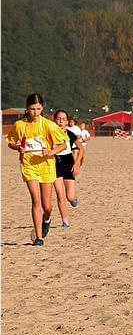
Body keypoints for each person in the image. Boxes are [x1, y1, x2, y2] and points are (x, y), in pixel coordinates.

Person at [7, 93, 67, 246]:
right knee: (36, 200)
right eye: (32, 109)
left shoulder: (48, 125)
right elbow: (11, 142)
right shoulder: (20, 125)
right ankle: (39, 237)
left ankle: (47, 218)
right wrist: (18, 147)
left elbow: (64, 144)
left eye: (38, 109)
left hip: (46, 166)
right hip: (29, 165)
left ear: (42, 108)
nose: (35, 112)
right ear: (27, 108)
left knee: (47, 206)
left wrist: (51, 152)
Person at [53, 110, 84, 226]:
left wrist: (76, 164)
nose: (60, 121)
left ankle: (73, 199)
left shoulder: (70, 134)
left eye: (63, 119)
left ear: (67, 121)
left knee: (69, 196)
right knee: (59, 194)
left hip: (68, 162)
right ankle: (65, 220)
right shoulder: (50, 133)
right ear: (54, 120)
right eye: (58, 119)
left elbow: (82, 149)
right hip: (55, 163)